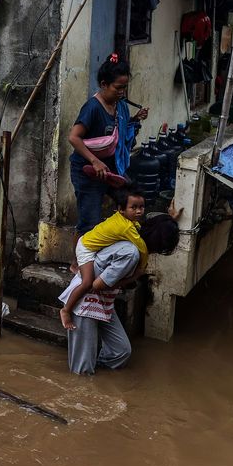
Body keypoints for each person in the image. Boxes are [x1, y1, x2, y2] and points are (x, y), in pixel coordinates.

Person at [59, 211, 182, 375]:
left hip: (103, 301)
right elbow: (96, 285)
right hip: (86, 300)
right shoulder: (132, 253)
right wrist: (135, 277)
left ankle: (96, 376)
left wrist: (171, 219)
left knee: (120, 351)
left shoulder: (132, 236)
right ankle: (82, 384)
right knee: (82, 370)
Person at [68, 54, 149, 235]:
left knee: (132, 200)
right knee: (90, 224)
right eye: (118, 88)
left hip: (111, 168)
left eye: (124, 88)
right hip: (87, 170)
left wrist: (136, 119)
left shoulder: (120, 106)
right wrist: (94, 161)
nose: (121, 92)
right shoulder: (92, 108)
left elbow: (119, 131)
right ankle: (78, 263)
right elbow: (74, 137)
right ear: (104, 84)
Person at [59, 186, 147, 330]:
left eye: (141, 207)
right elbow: (142, 247)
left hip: (94, 246)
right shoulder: (125, 228)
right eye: (134, 207)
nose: (138, 211)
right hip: (86, 247)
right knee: (87, 283)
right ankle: (66, 310)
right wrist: (142, 267)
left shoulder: (128, 221)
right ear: (121, 209)